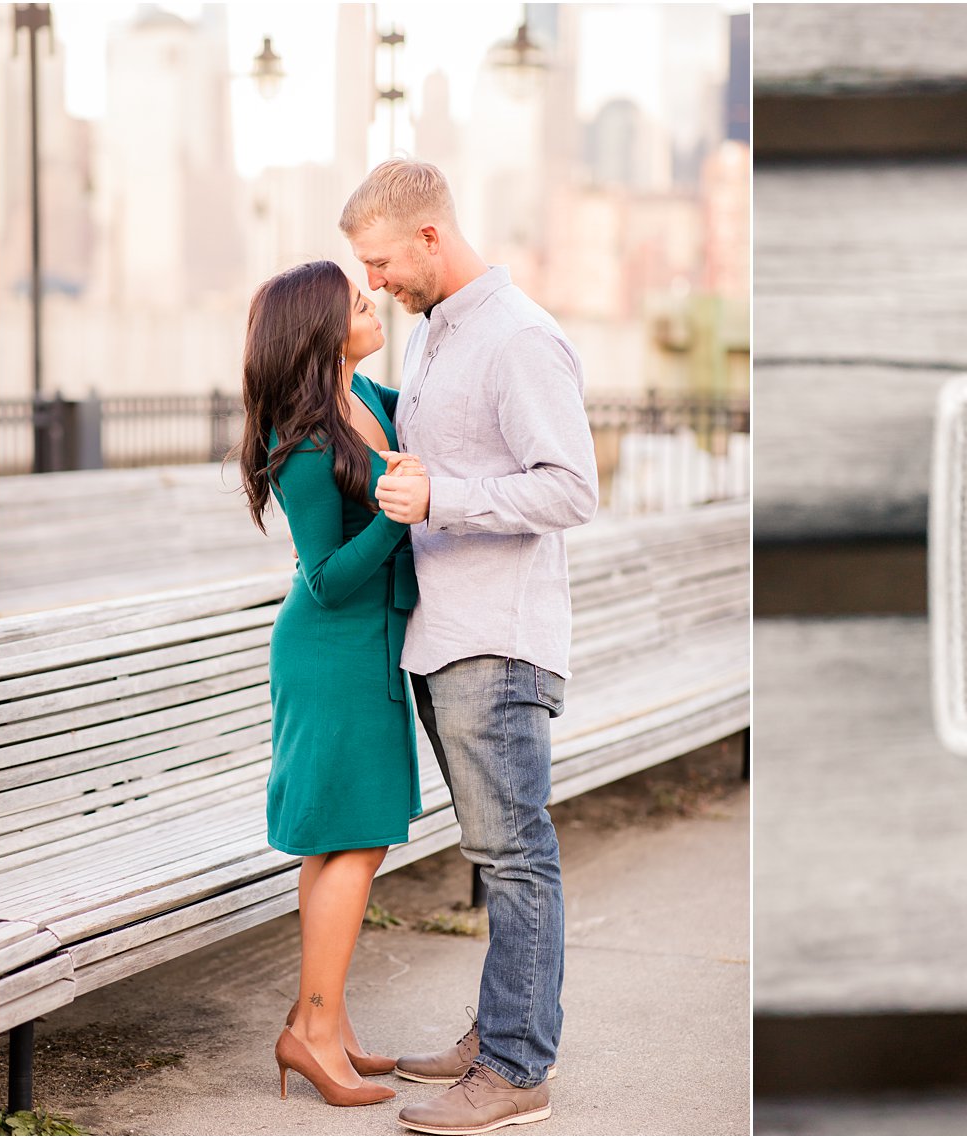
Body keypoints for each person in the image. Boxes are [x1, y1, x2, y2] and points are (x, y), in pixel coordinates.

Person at [339, 158, 599, 1134]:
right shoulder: (442, 333)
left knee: (517, 854)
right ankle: (496, 1034)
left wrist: (444, 498)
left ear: (430, 238)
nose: (376, 283)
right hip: (448, 637)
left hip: (497, 640)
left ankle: (517, 1067)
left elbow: (571, 489)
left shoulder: (520, 339)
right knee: (495, 853)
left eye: (381, 261)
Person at [237, 260, 427, 1108]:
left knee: (349, 839)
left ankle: (329, 1022)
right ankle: (310, 1033)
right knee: (355, 837)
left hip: (372, 647)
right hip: (330, 650)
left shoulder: (373, 401)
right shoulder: (307, 444)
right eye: (356, 300)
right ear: (319, 329)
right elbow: (326, 578)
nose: (372, 302)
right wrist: (398, 514)